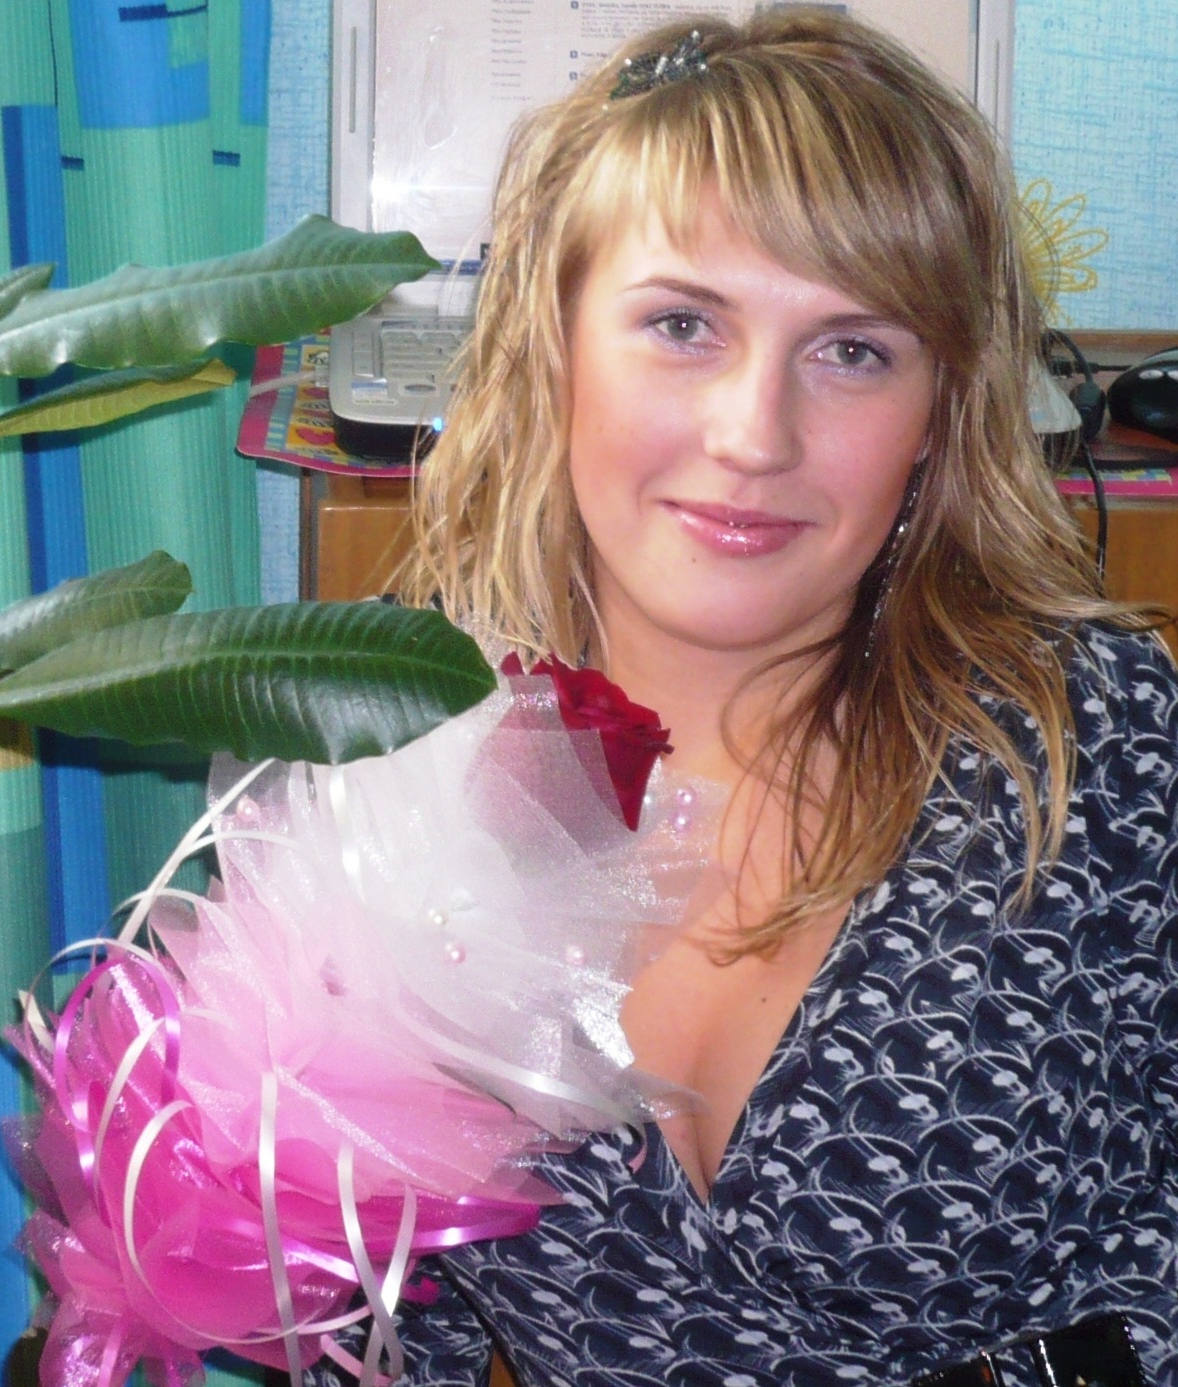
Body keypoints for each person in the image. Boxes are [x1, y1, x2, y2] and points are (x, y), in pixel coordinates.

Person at [317, 8, 1178, 1386]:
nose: (753, 435)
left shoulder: (1096, 752)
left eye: (852, 351)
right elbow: (371, 1327)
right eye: (681, 325)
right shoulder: (393, 762)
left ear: (940, 411)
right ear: (553, 344)